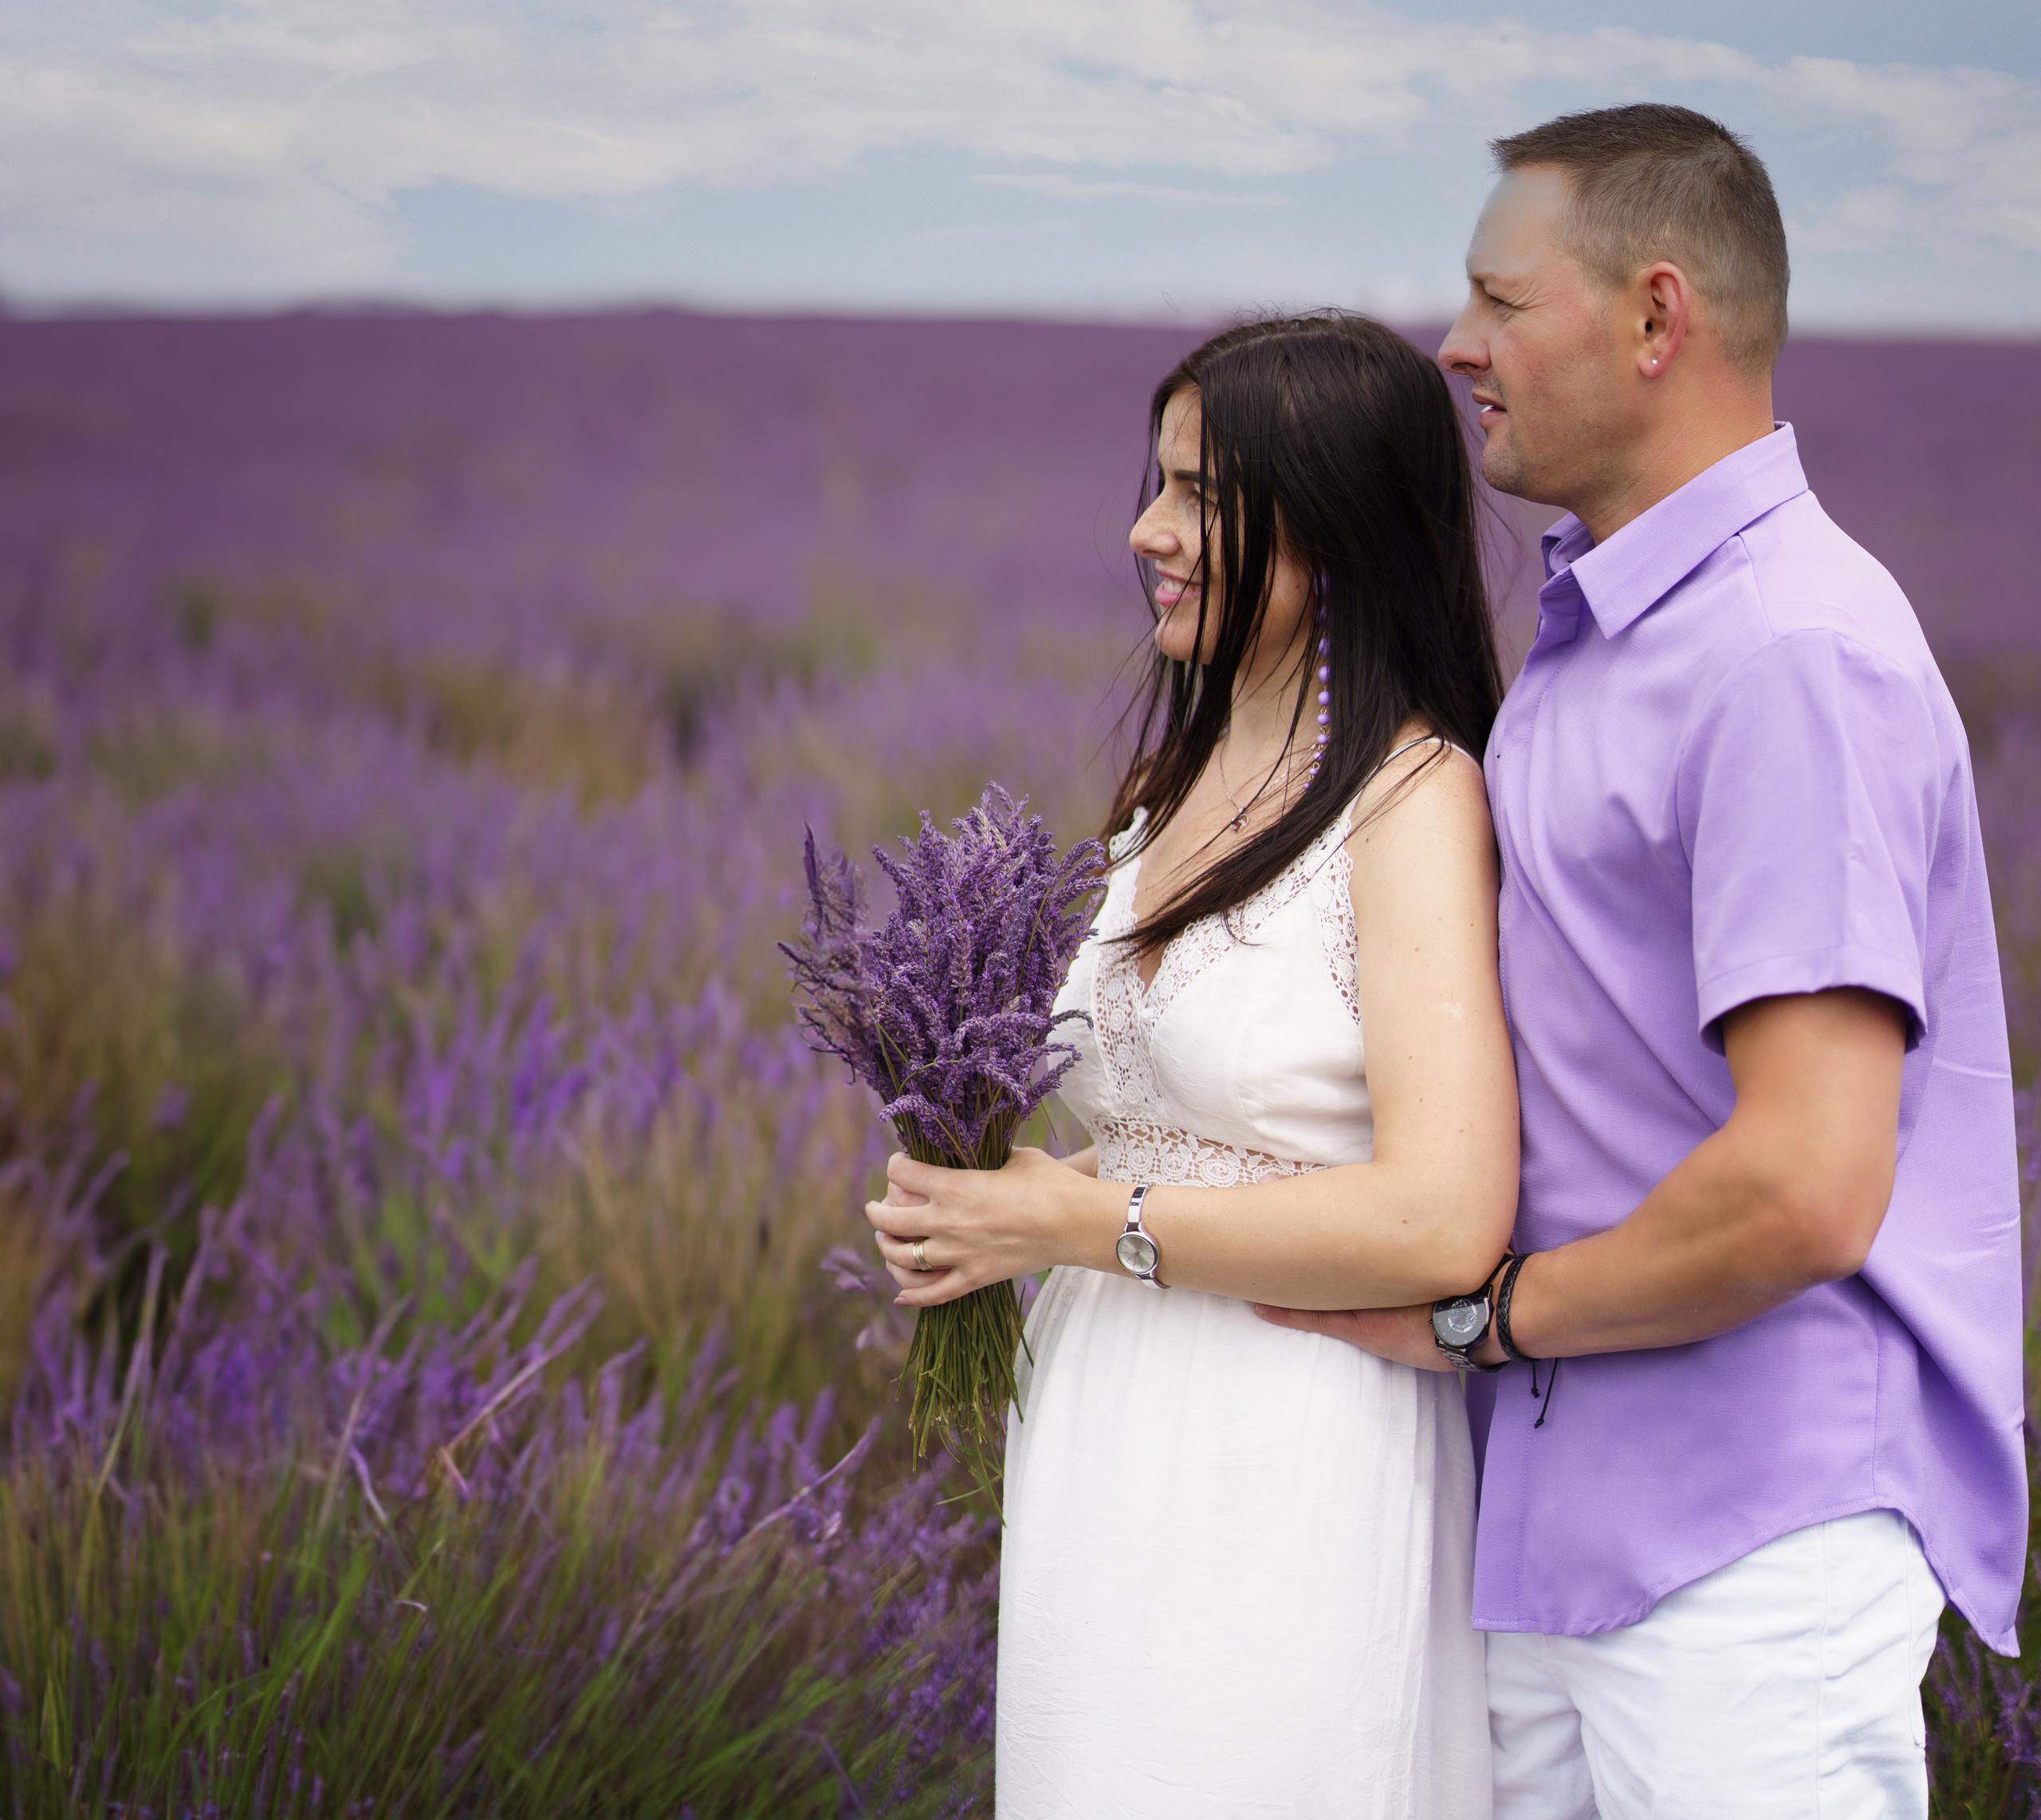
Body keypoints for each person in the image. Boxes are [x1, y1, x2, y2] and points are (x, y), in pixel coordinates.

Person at [1257, 104, 2027, 1818]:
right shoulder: (1609, 626)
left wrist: (1477, 1314)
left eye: (1497, 300)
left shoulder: (1784, 653)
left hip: (1748, 1546)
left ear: (1655, 316)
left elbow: (1803, 1187)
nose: (1454, 344)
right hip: (1564, 1526)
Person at [865, 313, 1515, 1816]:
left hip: (1288, 1442)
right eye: (1155, 482)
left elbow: (1443, 1219)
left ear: (1339, 528)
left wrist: (1072, 1222)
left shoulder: (1415, 801)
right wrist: (989, 1208)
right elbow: (1205, 1121)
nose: (1148, 532)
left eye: (1201, 496)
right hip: (1109, 1415)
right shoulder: (1166, 783)